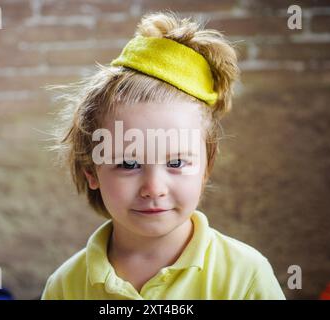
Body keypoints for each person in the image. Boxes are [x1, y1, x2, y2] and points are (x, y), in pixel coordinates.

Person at [41, 10, 286, 300]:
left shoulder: (245, 276)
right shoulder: (66, 287)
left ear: (206, 166)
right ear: (92, 172)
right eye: (128, 163)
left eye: (176, 162)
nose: (153, 188)